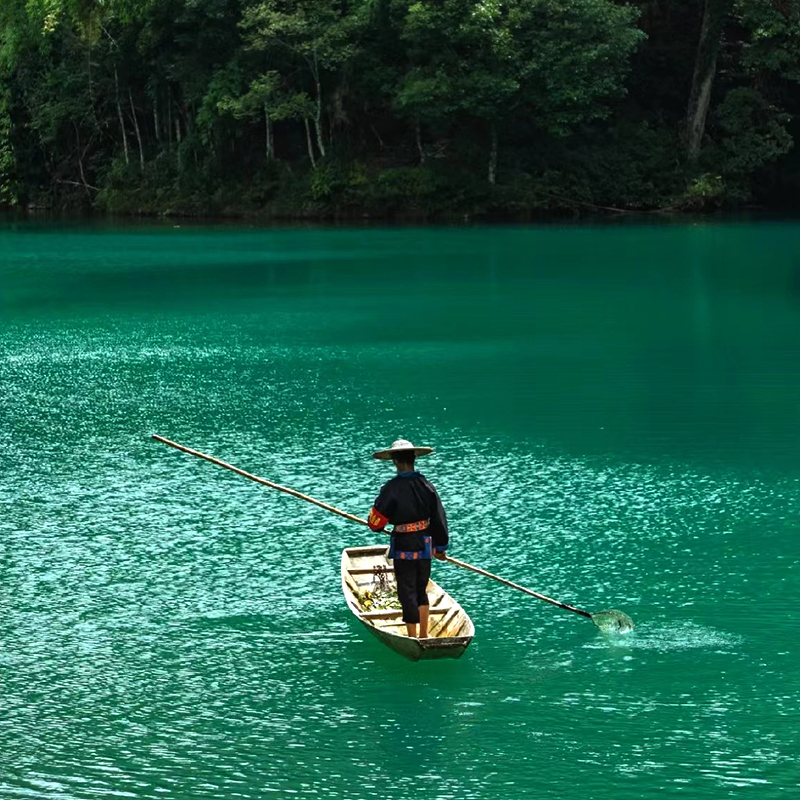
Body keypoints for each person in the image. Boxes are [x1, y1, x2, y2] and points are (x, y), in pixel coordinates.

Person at [367, 438, 449, 639]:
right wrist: (441, 547)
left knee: (407, 591)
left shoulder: (391, 488)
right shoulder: (427, 485)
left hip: (404, 545)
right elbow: (439, 517)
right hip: (424, 544)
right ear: (413, 459)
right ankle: (424, 635)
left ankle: (413, 638)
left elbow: (376, 523)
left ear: (394, 462)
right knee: (421, 589)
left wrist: (375, 522)